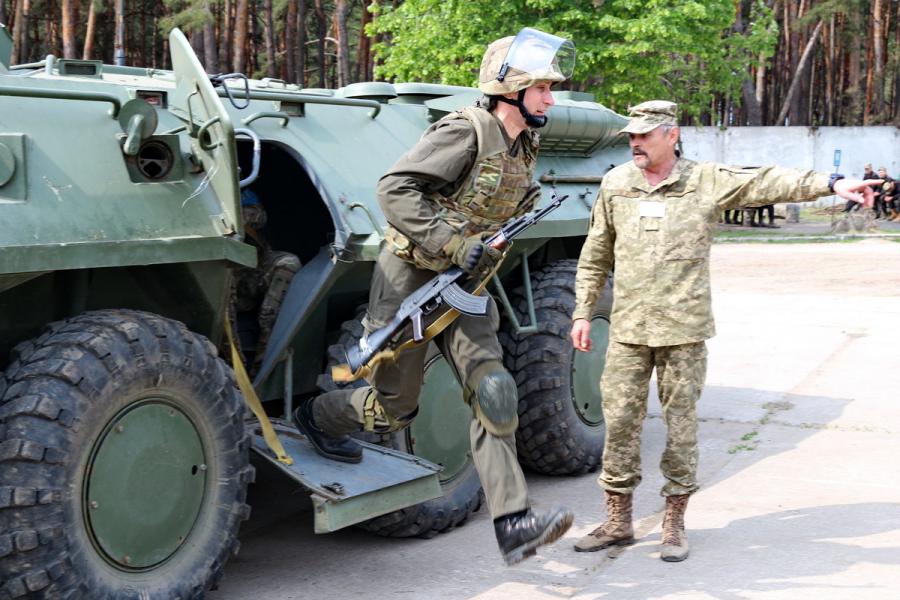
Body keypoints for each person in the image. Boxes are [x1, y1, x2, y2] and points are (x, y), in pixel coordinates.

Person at [292, 28, 576, 565]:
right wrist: (453, 241)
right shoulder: (465, 132)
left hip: (465, 289)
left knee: (495, 391)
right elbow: (394, 188)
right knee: (392, 408)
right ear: (509, 89)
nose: (550, 98)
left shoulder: (523, 143)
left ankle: (515, 524)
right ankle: (319, 417)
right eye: (542, 88)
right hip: (410, 278)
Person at [569, 100, 879, 562]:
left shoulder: (704, 180)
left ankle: (674, 522)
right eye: (631, 136)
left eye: (644, 135)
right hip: (630, 330)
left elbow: (766, 180)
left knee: (680, 428)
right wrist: (581, 312)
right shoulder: (616, 184)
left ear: (671, 135)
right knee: (620, 426)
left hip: (684, 331)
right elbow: (596, 253)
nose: (635, 143)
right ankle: (618, 520)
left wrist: (833, 183)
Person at [231, 189, 301, 375]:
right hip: (224, 273)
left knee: (287, 264)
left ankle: (261, 366)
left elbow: (258, 217)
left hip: (252, 268)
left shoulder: (239, 191)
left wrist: (236, 212)